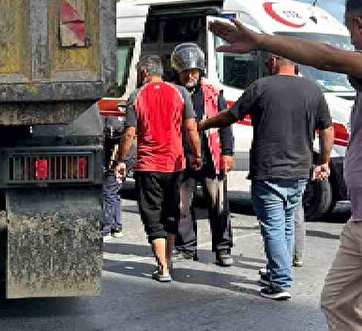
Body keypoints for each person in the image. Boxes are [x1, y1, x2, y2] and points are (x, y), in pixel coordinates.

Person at [210, 0, 362, 330]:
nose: (351, 40)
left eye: (350, 30)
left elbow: (329, 57)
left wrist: (261, 40)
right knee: (338, 302)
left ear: (360, 24)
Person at [198, 53, 333, 300]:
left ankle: (280, 282)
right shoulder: (313, 90)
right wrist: (323, 161)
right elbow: (327, 130)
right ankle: (276, 270)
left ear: (273, 60)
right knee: (286, 223)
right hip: (300, 171)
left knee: (273, 226)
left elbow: (230, 116)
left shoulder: (261, 87)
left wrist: (203, 125)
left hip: (268, 169)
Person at [113, 55, 202, 283]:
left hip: (149, 165)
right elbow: (191, 128)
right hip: (175, 164)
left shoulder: (137, 95)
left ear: (143, 73)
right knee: (170, 213)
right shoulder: (180, 93)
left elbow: (130, 133)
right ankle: (168, 262)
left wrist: (121, 160)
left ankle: (162, 268)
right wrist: (197, 155)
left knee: (152, 215)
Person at [169, 43, 236, 266]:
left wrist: (227, 152)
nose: (190, 75)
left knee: (218, 204)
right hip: (180, 159)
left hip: (211, 158)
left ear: (200, 71)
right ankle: (186, 247)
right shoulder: (171, 93)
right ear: (178, 71)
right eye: (186, 71)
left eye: (194, 71)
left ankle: (223, 248)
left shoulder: (213, 93)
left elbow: (226, 124)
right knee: (181, 205)